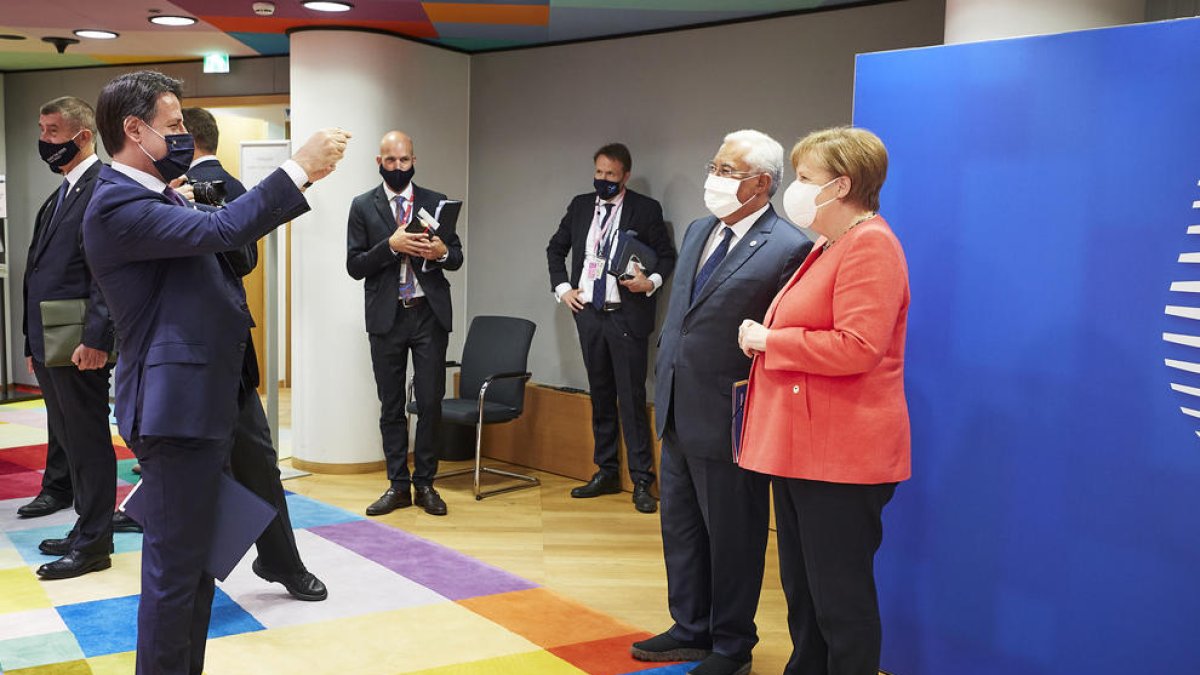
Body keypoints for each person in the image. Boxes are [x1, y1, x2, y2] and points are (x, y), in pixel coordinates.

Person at [82, 69, 347, 675]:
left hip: (203, 403)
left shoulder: (158, 193)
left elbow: (227, 246)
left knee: (197, 568)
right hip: (175, 413)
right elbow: (223, 229)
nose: (182, 135)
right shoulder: (117, 202)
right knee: (175, 576)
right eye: (173, 125)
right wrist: (297, 168)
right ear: (135, 130)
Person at [633, 130, 813, 675]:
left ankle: (732, 644)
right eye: (713, 165)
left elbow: (778, 337)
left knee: (734, 535)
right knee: (681, 527)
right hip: (676, 405)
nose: (713, 177)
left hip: (730, 416)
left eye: (727, 170)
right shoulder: (698, 230)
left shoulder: (788, 246)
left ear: (760, 183)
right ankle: (690, 626)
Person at [736, 126, 910, 675]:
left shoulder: (872, 244)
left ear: (842, 185)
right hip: (804, 449)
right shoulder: (831, 243)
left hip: (842, 456)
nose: (797, 187)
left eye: (806, 177)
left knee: (839, 599)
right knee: (805, 593)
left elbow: (858, 347)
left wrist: (772, 341)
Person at [179, 105, 327, 602]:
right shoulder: (146, 193)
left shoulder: (223, 186)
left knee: (257, 461)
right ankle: (189, 577)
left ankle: (281, 561)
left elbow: (243, 256)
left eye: (176, 129)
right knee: (189, 473)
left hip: (227, 354)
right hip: (175, 356)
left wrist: (201, 214)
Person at [546, 143, 676, 513]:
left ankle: (642, 480)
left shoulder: (645, 209)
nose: (603, 179)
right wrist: (563, 289)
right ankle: (605, 471)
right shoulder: (580, 206)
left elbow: (667, 256)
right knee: (600, 395)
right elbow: (555, 249)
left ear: (625, 176)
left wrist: (649, 282)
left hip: (625, 316)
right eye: (599, 172)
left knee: (630, 399)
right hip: (590, 314)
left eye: (611, 175)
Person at [19, 96, 117, 580]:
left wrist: (97, 339)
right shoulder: (60, 192)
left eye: (53, 131)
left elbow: (106, 275)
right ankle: (86, 526)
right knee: (70, 440)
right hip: (51, 342)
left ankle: (95, 542)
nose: (44, 140)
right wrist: (30, 343)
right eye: (41, 129)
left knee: (88, 440)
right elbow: (39, 272)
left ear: (83, 136)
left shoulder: (102, 187)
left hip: (80, 344)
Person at [347, 130, 463, 517]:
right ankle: (398, 485)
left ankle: (425, 483)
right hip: (387, 316)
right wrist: (390, 247)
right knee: (392, 405)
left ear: (415, 161)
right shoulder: (363, 206)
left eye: (405, 160)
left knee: (430, 402)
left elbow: (456, 256)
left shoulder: (435, 201)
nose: (398, 167)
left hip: (429, 313)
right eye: (391, 160)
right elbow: (354, 265)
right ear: (379, 162)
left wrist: (442, 251)